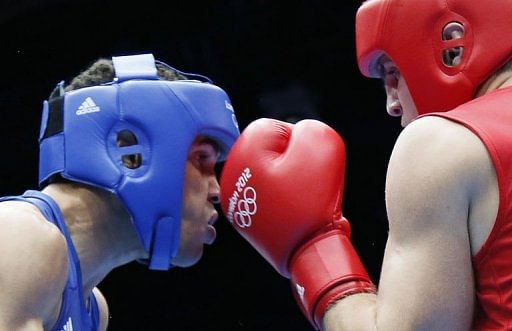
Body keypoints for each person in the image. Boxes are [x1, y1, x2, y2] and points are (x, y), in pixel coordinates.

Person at [218, 0, 512, 329]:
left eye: (391, 73)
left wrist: (314, 252)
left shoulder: (444, 143)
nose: (392, 104)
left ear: (453, 47)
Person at [0, 53, 240, 330]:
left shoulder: (94, 310)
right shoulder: (18, 233)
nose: (217, 191)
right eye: (202, 159)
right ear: (129, 152)